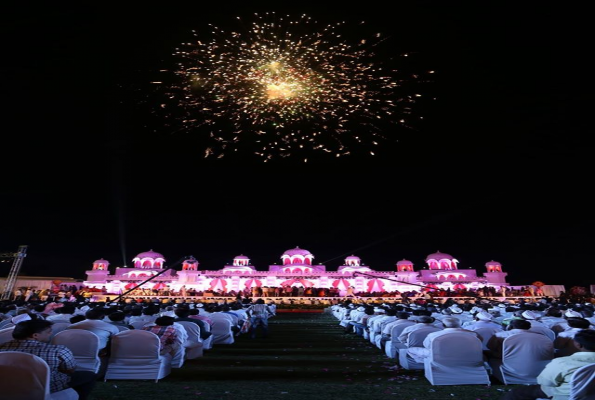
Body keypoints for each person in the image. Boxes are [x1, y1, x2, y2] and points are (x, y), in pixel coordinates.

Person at [0, 319, 97, 400]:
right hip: (47, 388)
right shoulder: (58, 350)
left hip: (6, 386)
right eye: (48, 331)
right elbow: (70, 370)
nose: (51, 333)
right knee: (89, 375)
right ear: (35, 335)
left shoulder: (2, 348)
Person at [500, 329, 595, 400]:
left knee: (515, 393)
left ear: (579, 345)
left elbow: (545, 382)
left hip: (564, 396)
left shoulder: (563, 363)